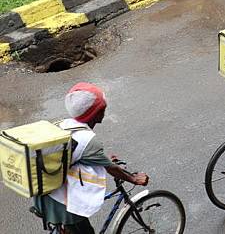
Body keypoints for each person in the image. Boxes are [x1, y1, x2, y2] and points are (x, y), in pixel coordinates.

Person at [33, 83, 148, 234]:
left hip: (43, 196)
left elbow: (74, 158)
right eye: (103, 108)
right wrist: (134, 179)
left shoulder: (63, 124)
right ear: (97, 114)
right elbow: (111, 169)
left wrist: (103, 160)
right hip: (65, 206)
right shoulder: (88, 140)